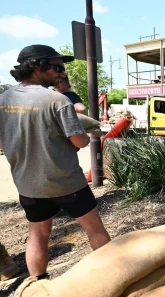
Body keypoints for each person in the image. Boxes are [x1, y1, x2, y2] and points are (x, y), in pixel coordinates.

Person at [1, 45, 111, 280]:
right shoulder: (57, 100)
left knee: (38, 234)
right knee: (95, 229)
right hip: (66, 183)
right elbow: (80, 142)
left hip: (28, 185)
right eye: (57, 67)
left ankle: (37, 285)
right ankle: (110, 278)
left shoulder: (3, 100)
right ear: (38, 67)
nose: (62, 73)